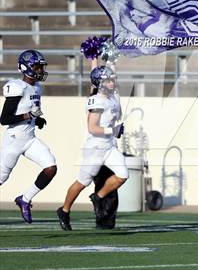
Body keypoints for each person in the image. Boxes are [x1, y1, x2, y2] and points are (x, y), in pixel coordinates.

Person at [56, 64, 128, 231]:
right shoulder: (96, 100)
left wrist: (112, 61)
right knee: (82, 182)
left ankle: (98, 196)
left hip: (109, 147)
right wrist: (113, 130)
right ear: (100, 83)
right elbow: (92, 128)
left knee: (123, 174)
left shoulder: (112, 97)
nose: (112, 81)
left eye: (112, 78)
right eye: (108, 80)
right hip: (95, 149)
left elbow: (108, 73)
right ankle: (64, 210)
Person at [0, 50, 57, 224]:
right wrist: (28, 116)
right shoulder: (17, 86)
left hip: (30, 138)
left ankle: (25, 199)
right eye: (37, 66)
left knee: (51, 167)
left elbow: (30, 112)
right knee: (1, 178)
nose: (40, 70)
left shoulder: (36, 87)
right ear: (26, 67)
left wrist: (37, 119)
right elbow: (4, 119)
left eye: (41, 66)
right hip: (14, 140)